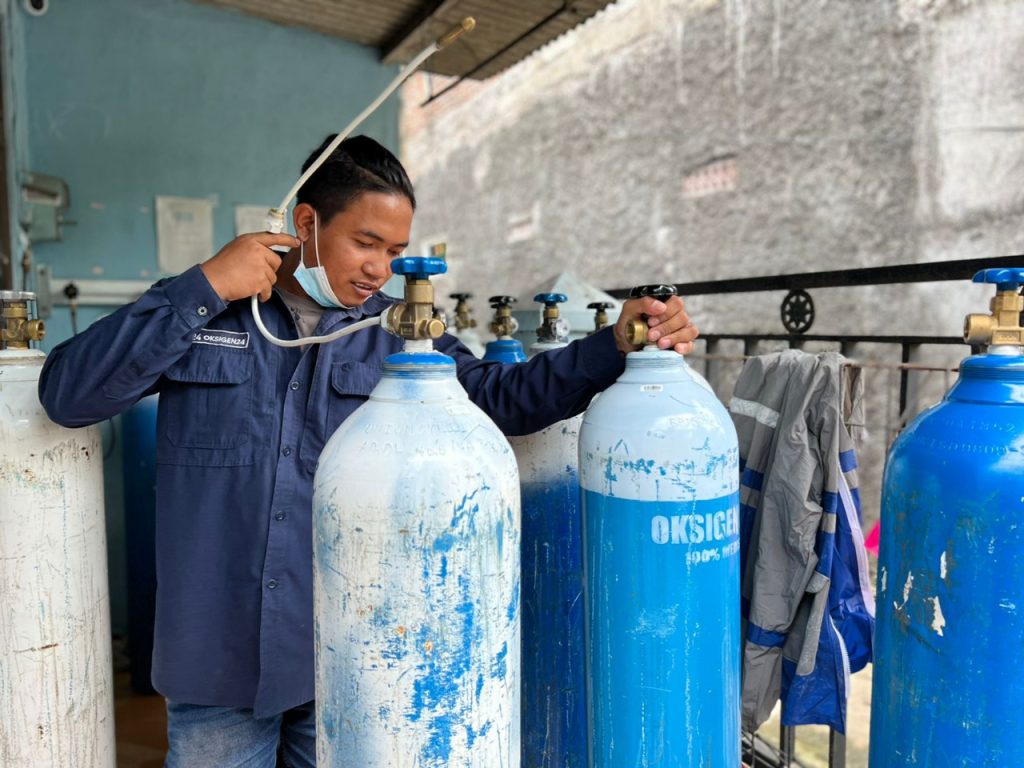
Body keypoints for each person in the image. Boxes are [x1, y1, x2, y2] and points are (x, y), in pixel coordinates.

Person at [38, 134, 699, 767]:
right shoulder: (212, 317)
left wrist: (615, 343)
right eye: (365, 242)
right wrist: (204, 285)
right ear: (305, 224)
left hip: (345, 658)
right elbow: (69, 395)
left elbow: (508, 401)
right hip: (217, 656)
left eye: (396, 249)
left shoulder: (395, 333)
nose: (381, 268)